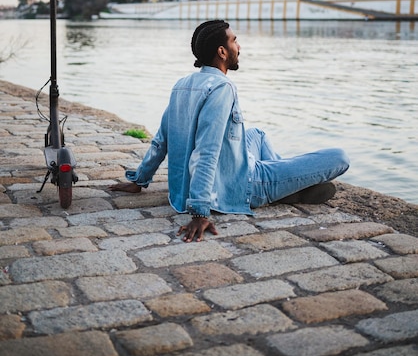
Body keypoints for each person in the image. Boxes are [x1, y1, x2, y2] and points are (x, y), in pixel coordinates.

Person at [109, 20, 349, 243]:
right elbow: (206, 150)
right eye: (234, 41)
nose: (239, 46)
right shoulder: (222, 88)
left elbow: (161, 141)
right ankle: (280, 189)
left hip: (190, 187)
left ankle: (287, 184)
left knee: (257, 134)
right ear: (222, 52)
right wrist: (199, 211)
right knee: (339, 157)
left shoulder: (182, 85)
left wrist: (140, 180)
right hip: (243, 184)